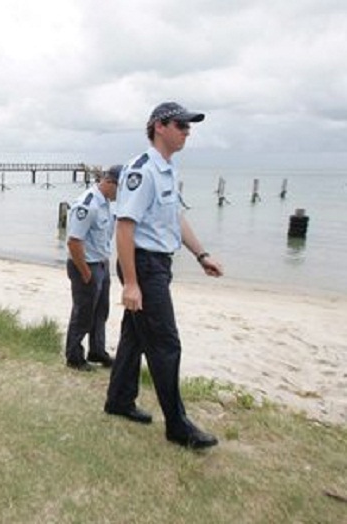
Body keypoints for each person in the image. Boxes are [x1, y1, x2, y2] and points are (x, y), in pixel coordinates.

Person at [104, 101, 224, 450]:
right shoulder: (142, 170)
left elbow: (175, 219)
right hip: (142, 265)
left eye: (189, 127)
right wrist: (130, 283)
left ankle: (119, 400)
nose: (187, 132)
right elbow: (124, 228)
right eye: (181, 125)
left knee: (135, 337)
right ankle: (178, 424)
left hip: (156, 264)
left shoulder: (167, 169)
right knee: (166, 344)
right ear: (160, 126)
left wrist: (201, 255)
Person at [65, 166, 121, 372]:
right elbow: (74, 241)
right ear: (109, 182)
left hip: (100, 264)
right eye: (120, 188)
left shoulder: (106, 203)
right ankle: (74, 356)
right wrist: (85, 272)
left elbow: (102, 237)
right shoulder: (88, 204)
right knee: (83, 313)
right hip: (85, 266)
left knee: (100, 312)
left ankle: (97, 351)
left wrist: (105, 263)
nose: (121, 194)